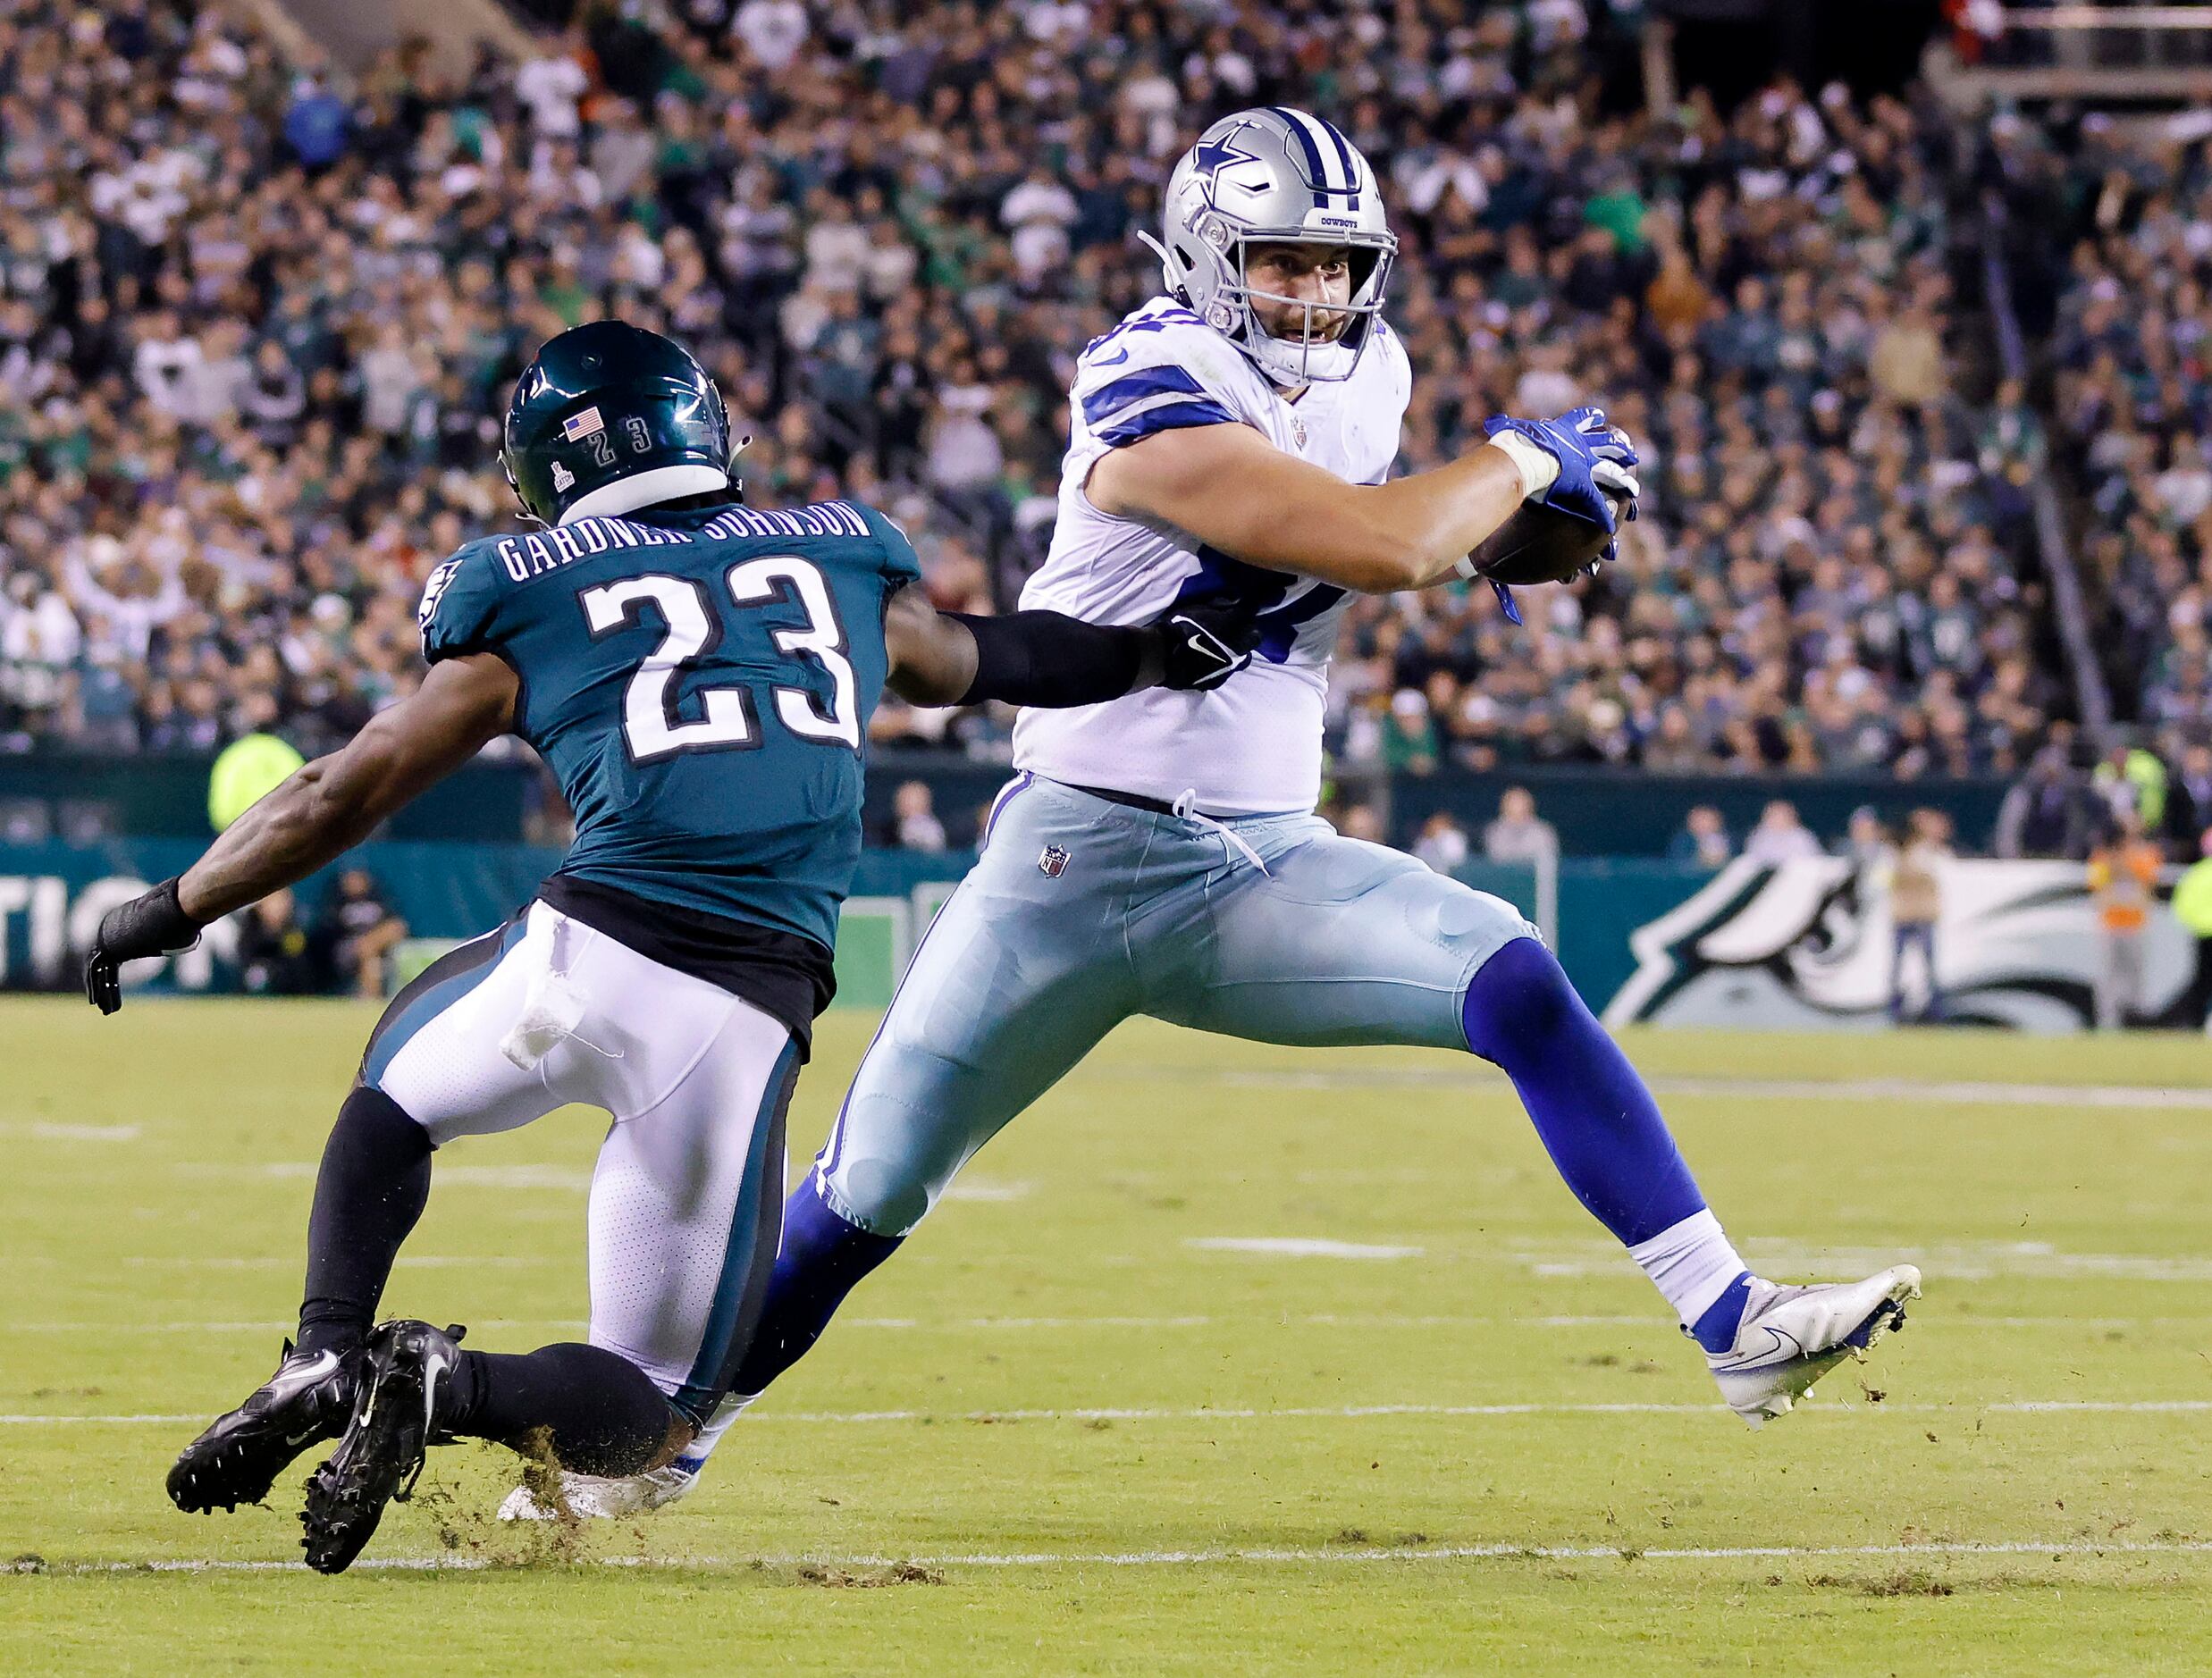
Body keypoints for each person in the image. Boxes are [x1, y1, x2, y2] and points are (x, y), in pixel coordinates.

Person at [527, 111, 1919, 1521]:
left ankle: (1727, 1316)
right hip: (1072, 855)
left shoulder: (1372, 370)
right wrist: (1510, 462)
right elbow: (1376, 541)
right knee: (869, 1187)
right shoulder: (1144, 374)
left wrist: (1506, 534)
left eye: (1334, 265)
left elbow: (1372, 537)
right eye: (1280, 262)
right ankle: (655, 1442)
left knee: (1514, 979)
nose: (1312, 295)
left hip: (1258, 861)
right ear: (1203, 256)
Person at [81, 321, 1261, 1573]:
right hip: (733, 1018)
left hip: (579, 956)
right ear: (703, 426)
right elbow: (989, 657)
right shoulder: (839, 556)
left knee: (394, 1092)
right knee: (647, 1413)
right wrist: (1150, 653)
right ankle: (445, 1381)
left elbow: (344, 788)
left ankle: (326, 1344)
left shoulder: (524, 583)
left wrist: (172, 906)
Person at [2088, 812, 2163, 1030]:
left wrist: (2122, 863)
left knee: (2135, 974)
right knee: (2109, 974)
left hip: (2135, 923)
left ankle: (2135, 1019)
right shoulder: (2103, 854)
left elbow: (2147, 882)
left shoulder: (2145, 853)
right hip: (2111, 922)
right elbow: (2098, 885)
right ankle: (2107, 1021)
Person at [1888, 810, 1950, 1024]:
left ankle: (1935, 1012)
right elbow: (1882, 880)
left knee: (1929, 968)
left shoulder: (1926, 851)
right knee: (1898, 968)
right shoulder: (1894, 852)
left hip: (1923, 915)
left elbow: (1933, 872)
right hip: (1903, 915)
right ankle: (1895, 1012)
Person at [314, 868, 408, 999]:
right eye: (351, 878)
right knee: (367, 950)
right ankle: (372, 998)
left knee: (373, 951)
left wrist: (372, 941)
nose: (355, 882)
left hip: (376, 948)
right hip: (345, 948)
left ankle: (370, 997)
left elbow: (398, 925)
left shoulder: (378, 897)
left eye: (359, 878)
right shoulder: (336, 899)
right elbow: (328, 931)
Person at [2171, 827, 2212, 1029]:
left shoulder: (2195, 874)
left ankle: (2197, 1023)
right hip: (2204, 933)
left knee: (2201, 981)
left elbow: (2182, 906)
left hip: (2201, 934)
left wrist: (2196, 923)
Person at [1482, 786, 1558, 866]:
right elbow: (1496, 857)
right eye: (1512, 802)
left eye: (1521, 801)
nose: (1517, 806)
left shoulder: (1543, 831)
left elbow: (1547, 860)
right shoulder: (1494, 830)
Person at [1742, 799, 1822, 866]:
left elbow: (1813, 863)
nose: (1777, 819)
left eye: (1781, 815)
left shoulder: (1803, 837)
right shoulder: (1758, 837)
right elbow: (1751, 862)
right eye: (1773, 815)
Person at [1667, 804, 1732, 868]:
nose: (1704, 824)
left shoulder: (1728, 840)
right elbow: (1679, 865)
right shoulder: (1683, 842)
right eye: (1699, 820)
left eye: (1708, 820)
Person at [892, 779, 947, 852]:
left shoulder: (929, 830)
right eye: (903, 800)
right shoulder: (887, 831)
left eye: (912, 802)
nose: (905, 805)